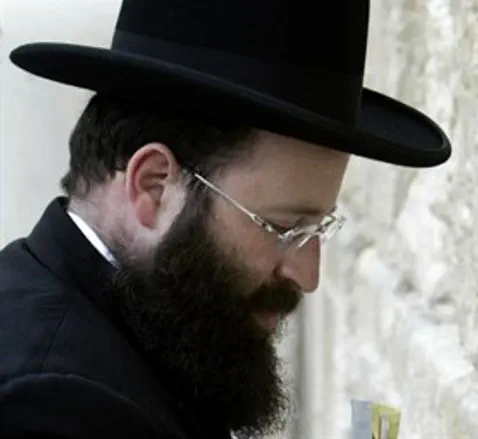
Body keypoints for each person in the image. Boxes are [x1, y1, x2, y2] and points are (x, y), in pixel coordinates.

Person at [0, 1, 451, 438]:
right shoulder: (50, 406)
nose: (307, 274)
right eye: (286, 228)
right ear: (154, 186)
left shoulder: (136, 335)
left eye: (318, 230)